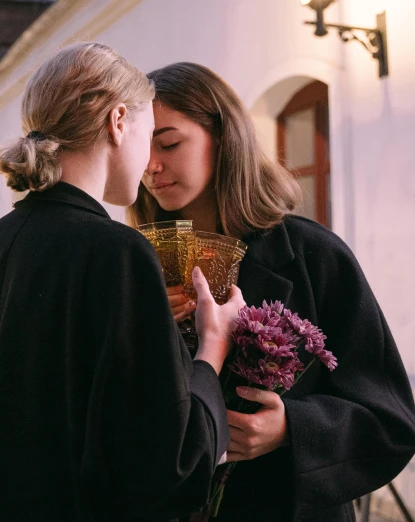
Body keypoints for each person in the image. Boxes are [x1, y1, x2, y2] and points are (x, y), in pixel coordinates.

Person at [0, 44, 245, 522]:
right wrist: (213, 347)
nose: (150, 161)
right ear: (118, 122)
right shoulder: (118, 254)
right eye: (149, 135)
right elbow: (170, 467)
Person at [128, 61, 415, 522]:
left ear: (223, 137)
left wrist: (291, 429)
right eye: (139, 149)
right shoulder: (136, 264)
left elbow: (391, 421)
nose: (152, 166)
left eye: (168, 143)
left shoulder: (313, 255)